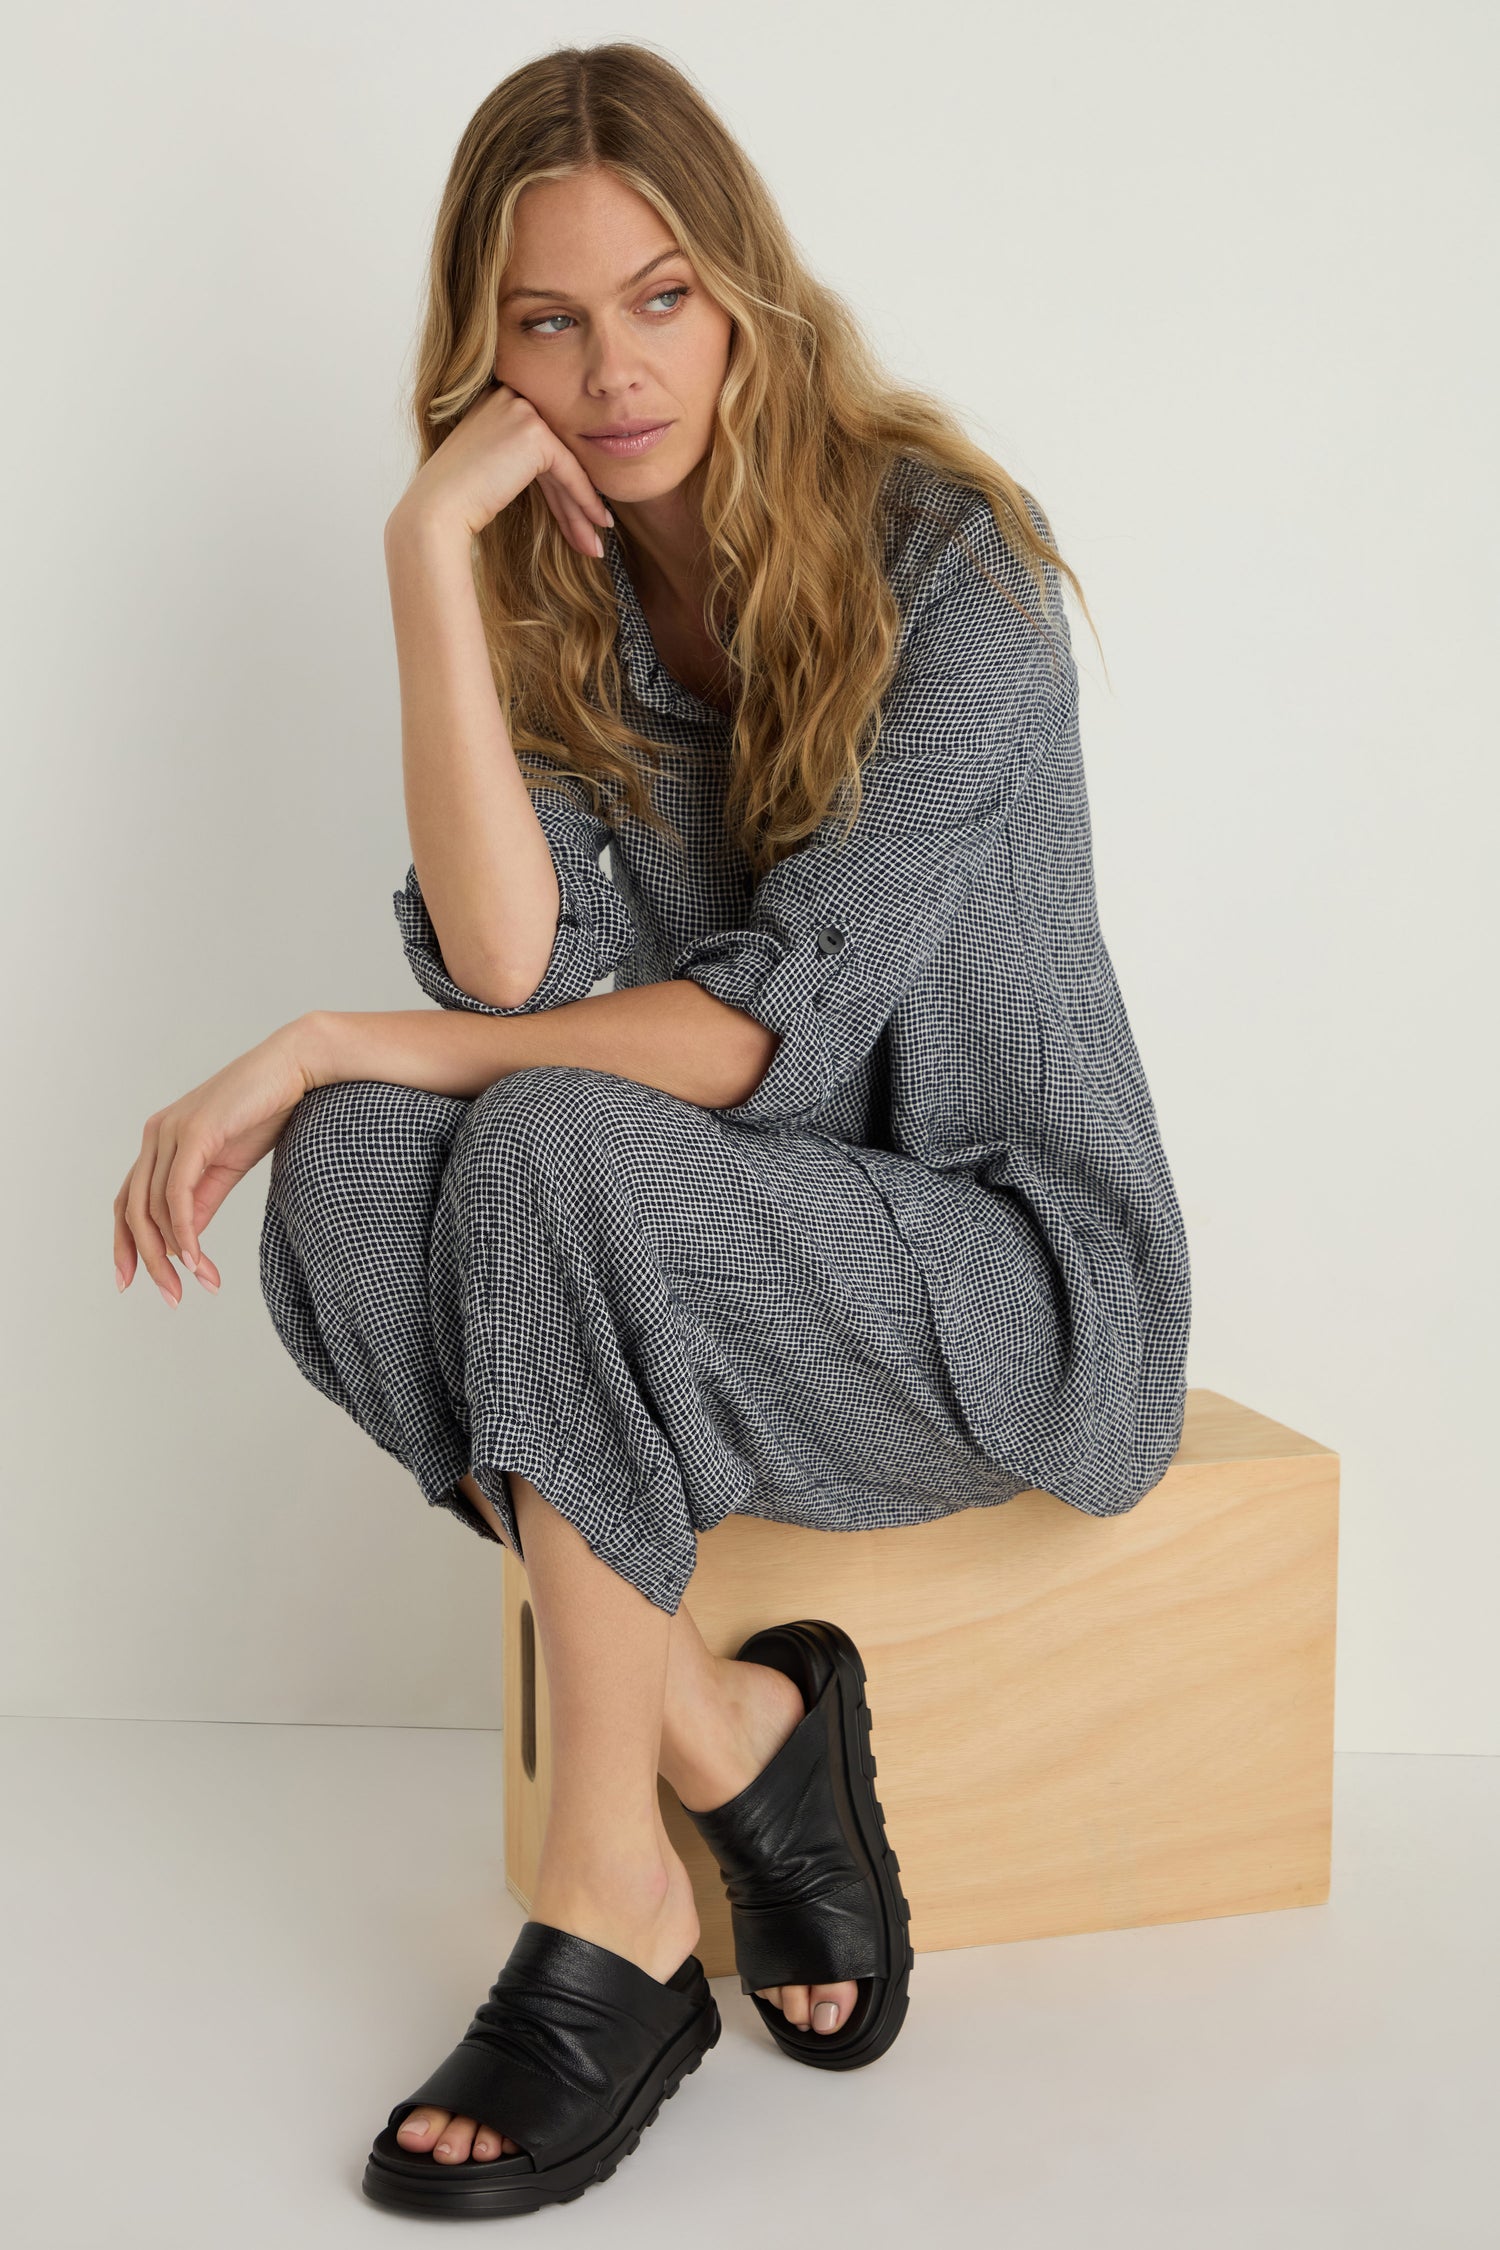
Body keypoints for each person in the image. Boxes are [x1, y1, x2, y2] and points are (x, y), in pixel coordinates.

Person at [110, 41, 1192, 2219]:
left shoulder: (947, 570)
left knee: (497, 1134)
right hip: (710, 1247)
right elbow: (522, 992)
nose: (613, 372)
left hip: (1010, 1272)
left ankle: (615, 1897)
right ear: (479, 347)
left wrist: (325, 1029)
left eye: (662, 298)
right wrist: (429, 550)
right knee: (353, 1179)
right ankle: (732, 1744)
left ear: (747, 296)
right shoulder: (542, 569)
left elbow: (737, 1045)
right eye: (547, 319)